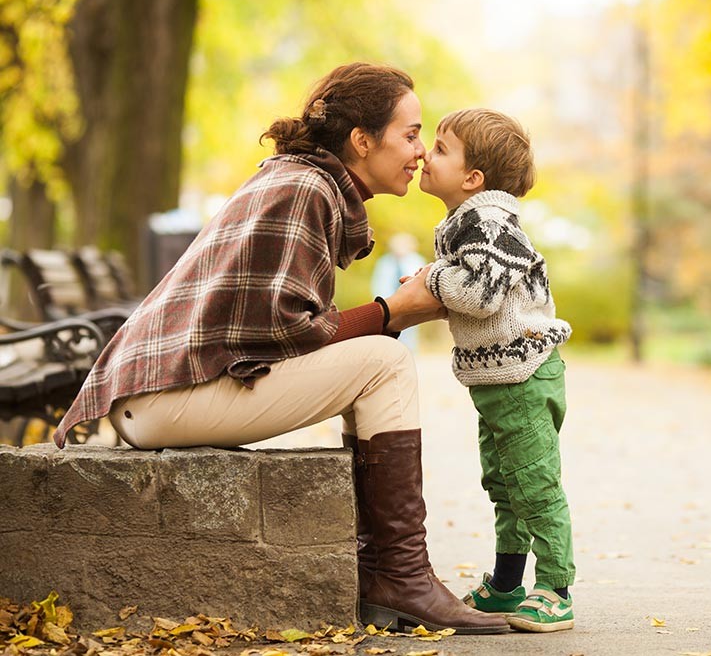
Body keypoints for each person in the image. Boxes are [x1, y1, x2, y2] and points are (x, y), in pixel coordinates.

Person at [52, 63, 509, 636]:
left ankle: (388, 574)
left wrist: (390, 313)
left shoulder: (300, 178)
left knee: (380, 359)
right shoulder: (306, 188)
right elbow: (291, 333)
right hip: (163, 400)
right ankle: (400, 576)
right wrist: (395, 312)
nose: (419, 152)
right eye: (410, 134)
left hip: (161, 395)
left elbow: (278, 331)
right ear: (362, 141)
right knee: (387, 362)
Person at [419, 108, 576, 632]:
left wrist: (433, 279)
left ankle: (556, 587)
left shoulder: (490, 224)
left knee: (535, 485)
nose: (424, 153)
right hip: (496, 382)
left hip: (526, 378)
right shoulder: (465, 223)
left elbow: (481, 296)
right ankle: (507, 583)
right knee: (503, 484)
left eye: (440, 148)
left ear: (473, 178)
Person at [371, 233, 427, 352]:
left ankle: (408, 354)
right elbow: (378, 283)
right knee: (389, 332)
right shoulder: (385, 262)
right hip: (390, 303)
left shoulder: (417, 260)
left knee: (409, 332)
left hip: (413, 302)